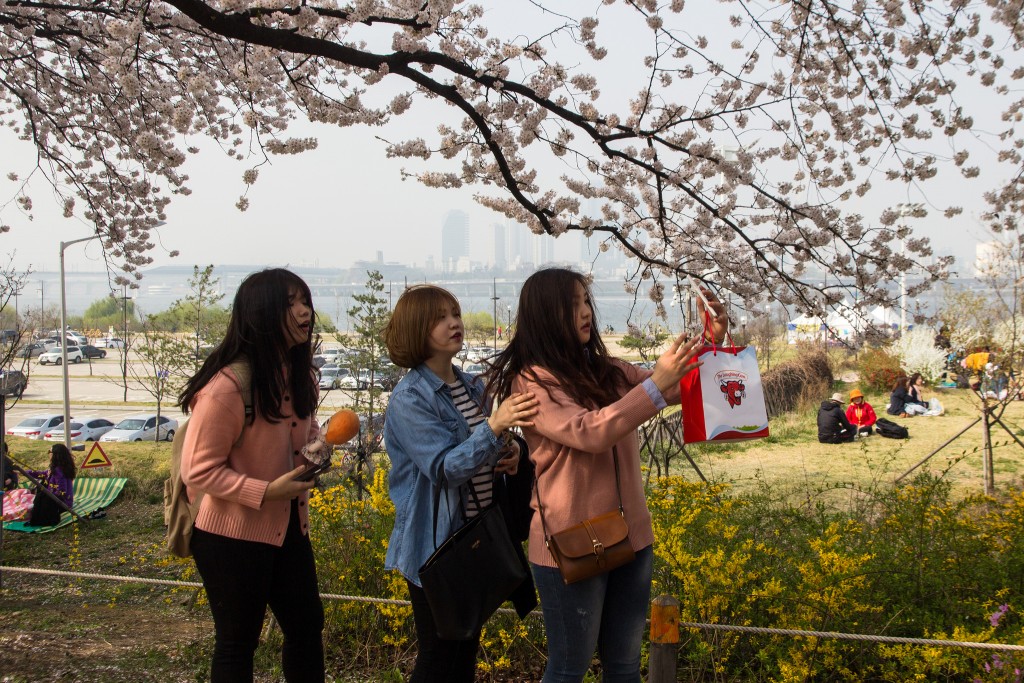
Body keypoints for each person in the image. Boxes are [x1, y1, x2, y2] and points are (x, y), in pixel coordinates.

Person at [486, 268, 726, 683]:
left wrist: (711, 341)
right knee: (568, 668)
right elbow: (589, 431)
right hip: (570, 543)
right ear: (546, 313)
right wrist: (654, 388)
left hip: (631, 536)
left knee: (625, 666)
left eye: (585, 301)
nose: (585, 312)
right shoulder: (531, 382)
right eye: (573, 303)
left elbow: (666, 388)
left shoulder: (602, 368)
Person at [382, 284, 540, 683]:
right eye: (440, 317)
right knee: (438, 657)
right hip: (437, 546)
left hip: (477, 540)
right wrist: (495, 426)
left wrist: (512, 449)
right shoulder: (409, 399)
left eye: (454, 313)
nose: (455, 322)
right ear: (418, 329)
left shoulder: (472, 386)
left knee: (464, 653)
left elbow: (492, 442)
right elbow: (445, 468)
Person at [177, 268, 325, 683]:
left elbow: (304, 433)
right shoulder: (227, 386)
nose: (304, 311)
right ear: (262, 313)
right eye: (292, 303)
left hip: (289, 528)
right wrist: (265, 490)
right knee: (238, 641)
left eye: (306, 301)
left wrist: (317, 448)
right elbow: (198, 468)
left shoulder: (300, 374)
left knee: (307, 627)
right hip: (230, 534)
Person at [25, 443, 76, 526]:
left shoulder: (58, 471)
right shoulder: (58, 468)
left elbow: (62, 491)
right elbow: (41, 474)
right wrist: (26, 473)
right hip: (61, 500)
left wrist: (49, 496)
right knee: (41, 489)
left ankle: (39, 520)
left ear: (55, 455)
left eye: (50, 451)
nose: (49, 453)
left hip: (62, 503)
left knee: (41, 496)